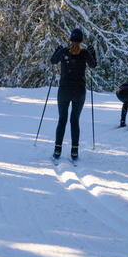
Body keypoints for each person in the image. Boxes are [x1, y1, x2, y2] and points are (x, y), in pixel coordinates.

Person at [50, 28, 97, 161]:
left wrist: (57, 51)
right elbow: (94, 65)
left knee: (62, 120)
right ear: (82, 41)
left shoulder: (64, 52)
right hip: (79, 91)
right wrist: (93, 53)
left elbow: (53, 61)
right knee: (74, 120)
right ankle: (74, 151)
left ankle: (57, 150)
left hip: (64, 90)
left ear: (70, 39)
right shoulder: (85, 53)